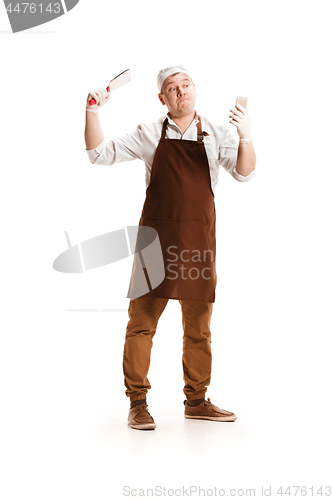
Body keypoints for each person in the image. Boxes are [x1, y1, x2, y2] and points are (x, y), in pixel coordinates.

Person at [85, 65, 256, 430]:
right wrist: (92, 112)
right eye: (172, 88)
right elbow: (98, 153)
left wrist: (245, 137)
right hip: (155, 245)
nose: (181, 92)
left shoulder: (218, 134)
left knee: (199, 329)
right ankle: (138, 402)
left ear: (195, 90)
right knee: (141, 325)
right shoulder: (149, 134)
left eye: (186, 85)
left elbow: (244, 173)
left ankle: (196, 400)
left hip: (197, 243)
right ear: (162, 98)